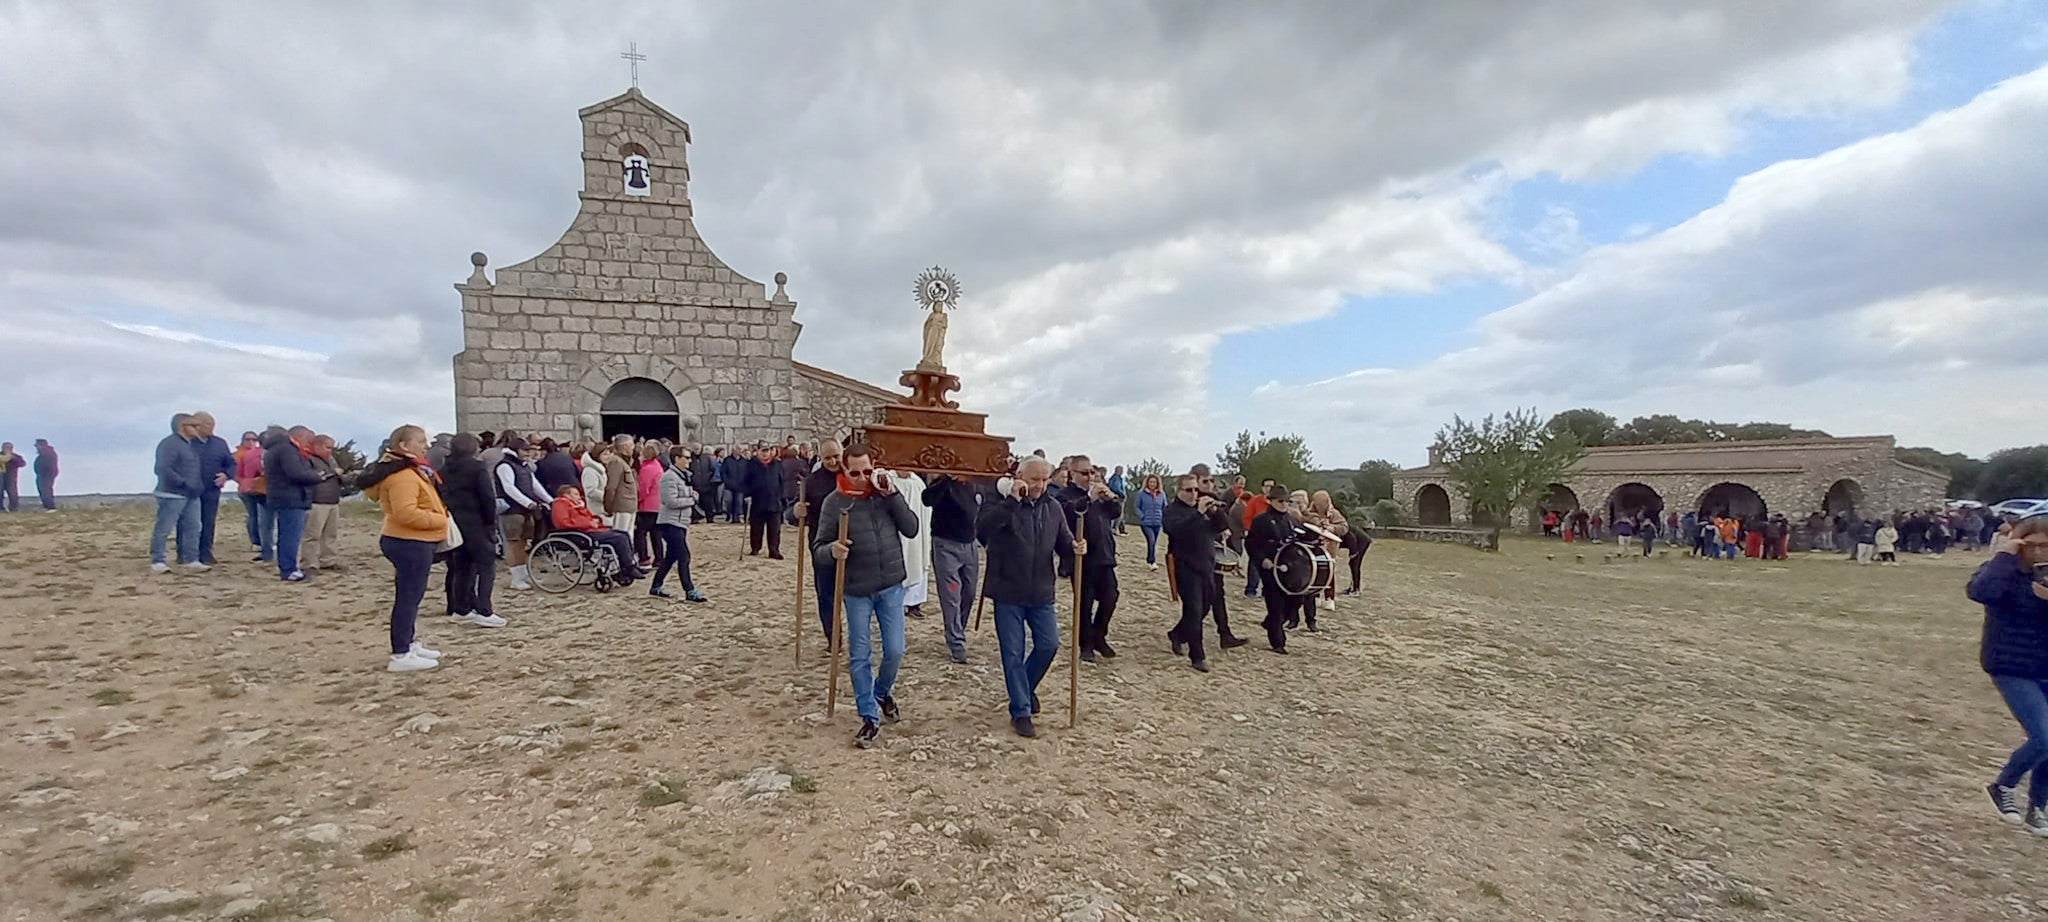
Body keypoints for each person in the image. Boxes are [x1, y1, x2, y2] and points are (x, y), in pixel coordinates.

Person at [816, 443, 920, 748]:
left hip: (890, 584)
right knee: (859, 654)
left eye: (868, 471)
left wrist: (893, 495)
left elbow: (911, 528)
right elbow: (818, 547)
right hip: (856, 589)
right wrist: (832, 551)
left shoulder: (885, 494)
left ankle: (881, 691)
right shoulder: (834, 503)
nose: (862, 477)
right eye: (855, 472)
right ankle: (869, 717)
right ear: (844, 469)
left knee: (895, 650)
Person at [979, 456, 1076, 737]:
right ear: (1020, 476)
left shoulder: (1054, 507)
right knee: (1012, 653)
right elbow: (982, 532)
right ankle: (1020, 710)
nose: (1041, 485)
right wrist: (1012, 502)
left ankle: (1025, 687)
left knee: (1049, 644)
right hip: (1007, 590)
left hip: (1041, 591)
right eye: (1035, 479)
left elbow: (1064, 542)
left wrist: (1075, 547)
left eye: (1045, 479)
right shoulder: (999, 503)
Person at [1972, 514, 2048, 834]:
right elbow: (1981, 592)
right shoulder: (2001, 572)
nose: (2042, 553)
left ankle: (2039, 806)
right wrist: (2004, 554)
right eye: (2035, 545)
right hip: (2011, 665)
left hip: (2044, 666)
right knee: (2045, 737)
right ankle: (2003, 786)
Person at [358, 425, 448, 672]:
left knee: (412, 596)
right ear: (404, 446)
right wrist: (442, 521)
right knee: (408, 597)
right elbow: (405, 513)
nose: (426, 445)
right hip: (409, 542)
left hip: (412, 541)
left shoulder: (410, 471)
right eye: (421, 441)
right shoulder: (403, 476)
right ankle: (400, 653)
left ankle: (407, 642)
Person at [1163, 472, 1236, 672]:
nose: (1194, 493)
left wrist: (1215, 511)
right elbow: (1175, 530)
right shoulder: (1172, 510)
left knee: (1204, 607)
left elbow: (1222, 527)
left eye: (1196, 489)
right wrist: (1197, 513)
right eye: (1189, 490)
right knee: (1193, 610)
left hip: (1207, 565)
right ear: (1179, 491)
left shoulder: (1203, 508)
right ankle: (1197, 655)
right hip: (1185, 566)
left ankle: (1177, 634)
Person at [436, 434, 505, 627]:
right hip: (477, 523)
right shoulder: (476, 468)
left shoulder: (442, 471)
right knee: (486, 567)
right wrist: (491, 523)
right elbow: (487, 497)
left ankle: (461, 608)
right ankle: (484, 609)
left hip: (454, 523)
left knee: (461, 567)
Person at [922, 468, 982, 664]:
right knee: (951, 595)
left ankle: (959, 629)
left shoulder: (975, 482)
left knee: (969, 592)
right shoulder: (943, 484)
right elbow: (927, 498)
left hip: (970, 544)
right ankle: (956, 642)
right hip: (945, 544)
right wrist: (947, 477)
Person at [262, 426, 331, 582]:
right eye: (308, 440)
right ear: (299, 436)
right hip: (290, 497)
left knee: (287, 534)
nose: (309, 444)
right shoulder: (287, 449)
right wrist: (316, 476)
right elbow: (295, 473)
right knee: (290, 535)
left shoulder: (276, 448)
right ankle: (289, 570)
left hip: (284, 496)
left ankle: (288, 567)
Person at [1071, 464, 1122, 663]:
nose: (1089, 477)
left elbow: (1116, 512)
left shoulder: (1101, 498)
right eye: (1084, 473)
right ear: (1073, 475)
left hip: (1105, 556)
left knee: (1111, 597)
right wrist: (1089, 499)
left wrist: (1111, 497)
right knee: (1085, 603)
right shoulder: (1070, 495)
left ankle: (1099, 635)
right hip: (1083, 558)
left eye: (1093, 473)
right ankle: (1086, 645)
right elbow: (1072, 512)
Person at [1247, 485, 1307, 653]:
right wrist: (1262, 560)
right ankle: (1278, 643)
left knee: (1296, 601)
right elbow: (1251, 544)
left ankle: (1270, 623)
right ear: (1271, 501)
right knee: (1275, 604)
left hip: (1289, 569)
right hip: (1270, 568)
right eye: (1280, 501)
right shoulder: (1261, 521)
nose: (1284, 504)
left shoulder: (1293, 520)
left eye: (1287, 501)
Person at [797, 440, 847, 641]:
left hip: (853, 542)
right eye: (828, 458)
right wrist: (796, 512)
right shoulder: (811, 482)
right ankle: (833, 637)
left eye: (836, 456)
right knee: (826, 593)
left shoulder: (854, 476)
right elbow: (793, 512)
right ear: (820, 458)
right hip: (822, 543)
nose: (833, 461)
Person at [149, 414, 208, 574]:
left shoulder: (191, 445)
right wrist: (183, 483)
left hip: (191, 494)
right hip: (172, 494)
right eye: (194, 425)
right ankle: (158, 560)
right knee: (164, 527)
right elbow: (162, 468)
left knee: (194, 526)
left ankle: (191, 559)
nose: (198, 428)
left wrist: (197, 486)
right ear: (183, 426)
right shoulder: (169, 444)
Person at [550, 485, 643, 584]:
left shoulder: (576, 505)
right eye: (575, 494)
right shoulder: (561, 504)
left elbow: (589, 517)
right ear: (566, 495)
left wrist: (595, 520)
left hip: (588, 531)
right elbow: (563, 523)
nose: (579, 497)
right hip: (579, 534)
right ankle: (628, 568)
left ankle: (627, 566)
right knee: (619, 538)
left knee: (623, 534)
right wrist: (589, 523)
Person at [495, 439, 555, 591]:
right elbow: (509, 488)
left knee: (523, 542)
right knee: (513, 542)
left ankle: (523, 573)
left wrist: (551, 500)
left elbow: (535, 486)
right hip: (512, 510)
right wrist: (527, 502)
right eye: (525, 450)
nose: (528, 453)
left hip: (525, 510)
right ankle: (516, 577)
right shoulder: (504, 466)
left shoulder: (524, 466)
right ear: (516, 451)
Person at [651, 445, 707, 602]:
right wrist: (691, 499)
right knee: (684, 556)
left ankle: (656, 586)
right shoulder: (669, 477)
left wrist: (691, 494)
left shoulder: (682, 476)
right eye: (687, 457)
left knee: (671, 557)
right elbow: (670, 501)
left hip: (680, 522)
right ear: (677, 459)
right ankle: (689, 590)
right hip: (670, 522)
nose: (690, 460)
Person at [188, 412, 235, 565]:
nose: (211, 427)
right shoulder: (187, 442)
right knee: (189, 523)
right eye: (208, 424)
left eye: (213, 424)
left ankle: (205, 553)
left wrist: (226, 475)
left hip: (211, 489)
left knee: (208, 522)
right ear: (197, 425)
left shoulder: (219, 443)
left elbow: (232, 463)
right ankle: (186, 554)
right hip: (189, 490)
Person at [893, 469, 931, 619]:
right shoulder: (890, 481)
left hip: (917, 533)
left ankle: (914, 604)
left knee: (916, 561)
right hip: (897, 534)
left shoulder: (918, 483)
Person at [303, 435, 345, 571]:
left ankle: (328, 560)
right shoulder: (308, 459)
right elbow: (309, 476)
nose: (330, 451)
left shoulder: (330, 460)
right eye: (328, 447)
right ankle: (309, 563)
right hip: (317, 501)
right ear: (317, 445)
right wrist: (331, 473)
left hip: (332, 500)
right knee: (312, 535)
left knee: (330, 534)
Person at [1302, 491, 1349, 613]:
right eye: (1317, 503)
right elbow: (1304, 520)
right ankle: (1315, 596)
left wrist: (1331, 528)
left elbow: (1344, 527)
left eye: (1321, 503)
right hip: (1313, 547)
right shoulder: (1309, 512)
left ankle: (1329, 597)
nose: (1319, 506)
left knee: (1329, 573)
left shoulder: (1334, 514)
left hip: (1329, 548)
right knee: (1314, 572)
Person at [741, 443, 787, 558]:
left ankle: (774, 550)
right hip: (757, 501)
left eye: (767, 450)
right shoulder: (752, 464)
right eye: (763, 451)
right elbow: (746, 481)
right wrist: (747, 495)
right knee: (756, 527)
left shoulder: (777, 464)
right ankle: (755, 548)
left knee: (774, 529)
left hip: (774, 501)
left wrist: (781, 496)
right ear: (759, 451)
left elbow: (781, 481)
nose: (765, 453)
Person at [234, 430, 271, 560]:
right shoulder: (242, 454)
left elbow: (238, 473)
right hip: (259, 489)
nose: (251, 442)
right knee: (260, 517)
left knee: (256, 516)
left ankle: (259, 543)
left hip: (248, 488)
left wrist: (245, 482)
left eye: (253, 439)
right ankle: (259, 542)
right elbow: (236, 473)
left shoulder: (247, 454)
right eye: (248, 439)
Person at [635, 443, 665, 569]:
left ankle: (644, 558)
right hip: (657, 504)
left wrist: (638, 501)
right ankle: (659, 558)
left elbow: (643, 488)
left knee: (640, 532)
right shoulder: (657, 466)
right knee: (655, 533)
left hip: (647, 505)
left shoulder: (647, 469)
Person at [603, 435, 639, 534]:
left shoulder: (624, 461)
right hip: (621, 507)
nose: (633, 447)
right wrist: (609, 507)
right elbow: (611, 487)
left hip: (629, 507)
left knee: (628, 536)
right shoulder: (616, 462)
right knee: (620, 535)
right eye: (631, 445)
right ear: (624, 447)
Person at [1135, 474, 1166, 569]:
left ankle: (1149, 559)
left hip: (1157, 522)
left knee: (1153, 543)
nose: (1152, 484)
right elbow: (1137, 507)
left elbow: (1165, 507)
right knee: (1151, 540)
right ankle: (1152, 561)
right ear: (1147, 483)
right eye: (1151, 482)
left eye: (1154, 482)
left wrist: (1163, 517)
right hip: (1146, 523)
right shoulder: (1141, 494)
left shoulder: (1162, 494)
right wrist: (1142, 516)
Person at [720, 444, 751, 523]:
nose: (740, 451)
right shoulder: (727, 460)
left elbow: (747, 473)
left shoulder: (744, 461)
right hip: (729, 485)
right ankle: (730, 515)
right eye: (738, 449)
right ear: (733, 450)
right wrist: (726, 481)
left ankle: (736, 518)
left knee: (739, 502)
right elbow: (723, 472)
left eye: (740, 449)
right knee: (729, 501)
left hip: (740, 486)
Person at [0, 441, 21, 512]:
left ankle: (13, 508)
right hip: (1, 477)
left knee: (12, 493)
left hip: (11, 477)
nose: (6, 449)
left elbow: (22, 463)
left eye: (8, 447)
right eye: (5, 447)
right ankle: (1, 508)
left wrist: (13, 459)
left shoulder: (15, 456)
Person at [1107, 465, 1129, 534]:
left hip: (1116, 497)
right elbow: (1116, 487)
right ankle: (1114, 528)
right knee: (1118, 514)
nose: (1122, 472)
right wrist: (1123, 494)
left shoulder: (1113, 478)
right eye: (1121, 470)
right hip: (1118, 497)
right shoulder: (1116, 478)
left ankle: (1116, 528)